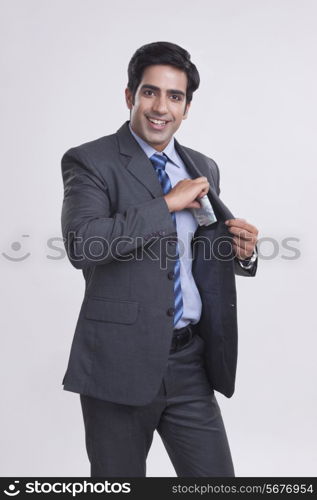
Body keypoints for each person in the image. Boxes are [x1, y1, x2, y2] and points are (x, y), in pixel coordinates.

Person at [60, 41, 258, 477]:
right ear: (130, 96)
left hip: (190, 363)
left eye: (175, 96)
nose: (160, 107)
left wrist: (239, 252)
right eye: (150, 92)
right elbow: (84, 244)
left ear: (187, 107)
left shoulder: (202, 165)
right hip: (119, 364)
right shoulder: (91, 161)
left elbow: (197, 257)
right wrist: (166, 203)